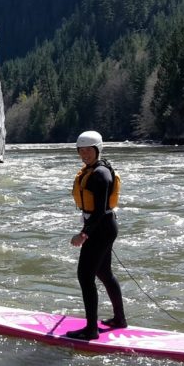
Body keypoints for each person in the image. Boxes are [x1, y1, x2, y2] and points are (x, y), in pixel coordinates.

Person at [64, 130, 127, 340]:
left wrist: (83, 234)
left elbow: (99, 212)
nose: (84, 154)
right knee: (104, 273)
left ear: (97, 150)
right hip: (104, 227)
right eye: (80, 150)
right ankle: (119, 319)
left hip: (101, 228)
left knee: (85, 276)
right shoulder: (92, 170)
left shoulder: (100, 174)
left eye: (88, 150)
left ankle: (91, 330)